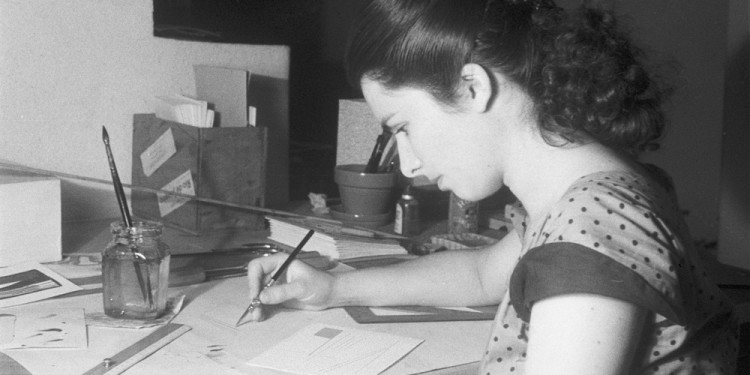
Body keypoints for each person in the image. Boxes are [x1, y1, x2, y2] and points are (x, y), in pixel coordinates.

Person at [246, 0, 739, 373]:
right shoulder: (587, 195)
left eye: (401, 127)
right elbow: (482, 273)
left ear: (474, 87)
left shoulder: (589, 233)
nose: (408, 163)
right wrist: (333, 287)